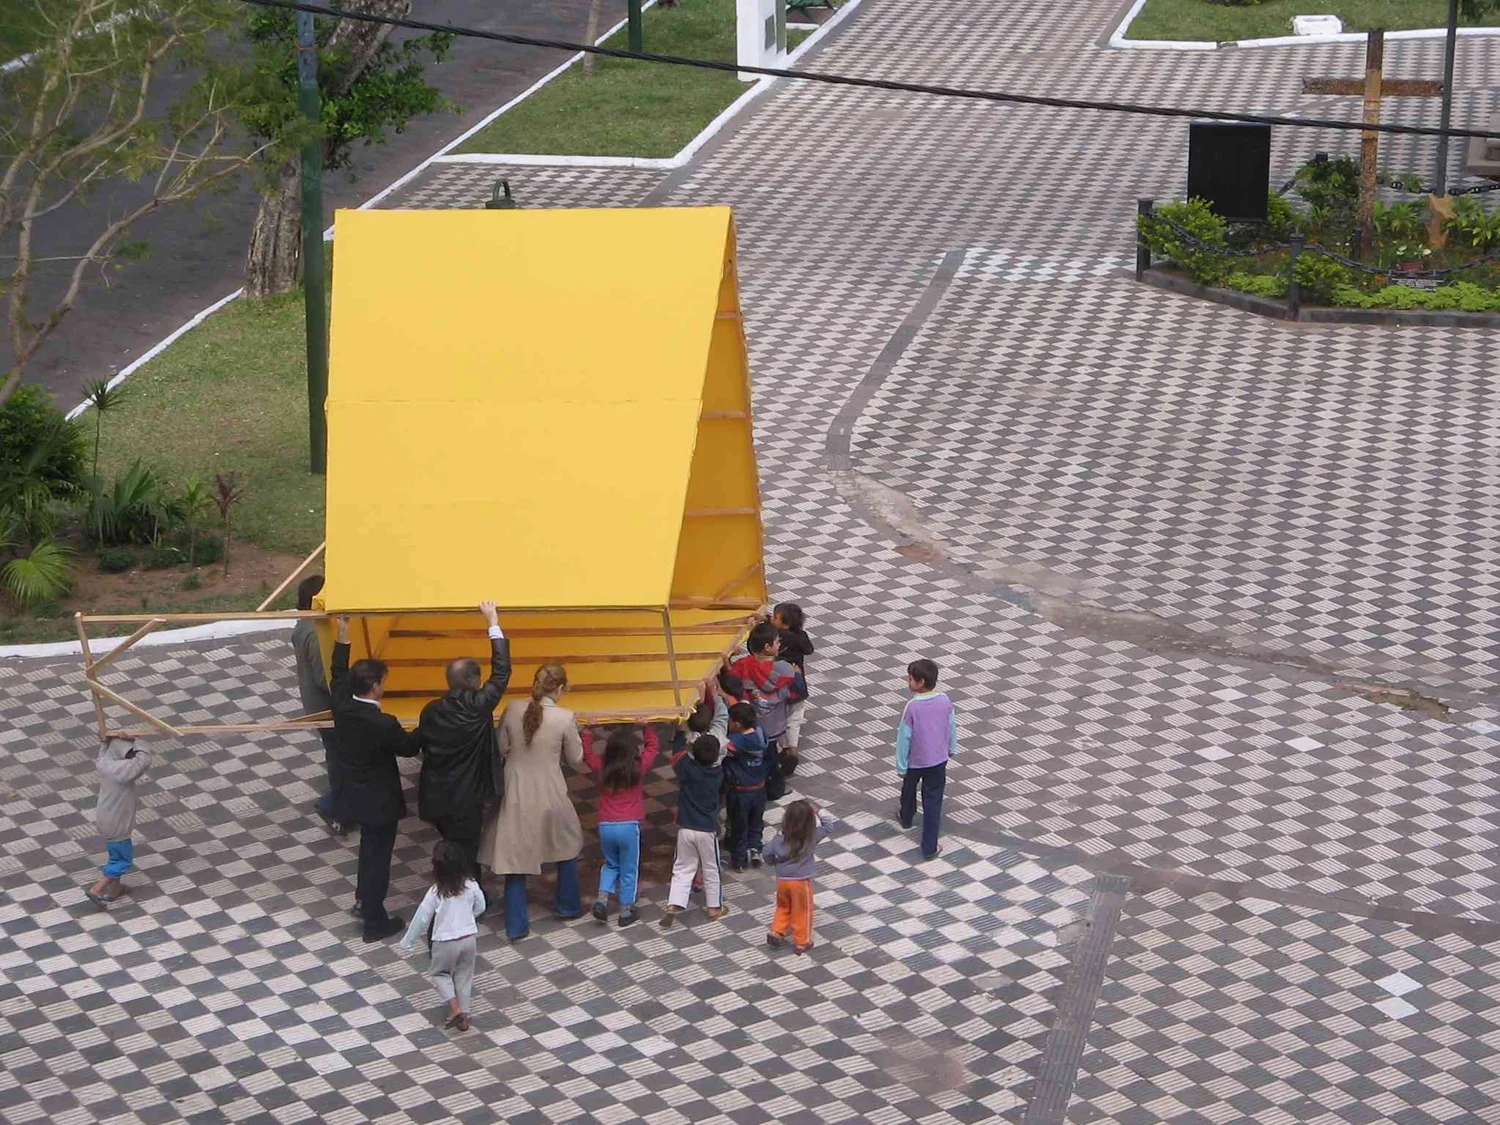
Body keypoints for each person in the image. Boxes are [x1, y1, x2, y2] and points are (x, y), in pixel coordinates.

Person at [478, 664, 585, 941]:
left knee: (515, 859)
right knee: (567, 845)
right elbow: (575, 759)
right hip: (550, 790)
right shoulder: (564, 717)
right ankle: (568, 905)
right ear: (561, 688)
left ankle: (516, 926)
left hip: (515, 789)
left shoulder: (512, 709)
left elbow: (501, 748)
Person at [331, 615, 421, 942]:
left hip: (357, 793)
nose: (385, 686)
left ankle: (363, 901)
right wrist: (429, 719)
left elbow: (338, 674)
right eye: (383, 682)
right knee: (377, 859)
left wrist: (343, 637)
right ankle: (374, 919)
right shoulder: (383, 724)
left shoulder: (341, 705)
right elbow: (410, 749)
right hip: (380, 801)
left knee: (369, 851)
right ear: (374, 687)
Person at [415, 600, 511, 888]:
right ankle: (465, 900)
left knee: (452, 846)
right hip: (466, 801)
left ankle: (455, 888)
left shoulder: (430, 711)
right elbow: (502, 671)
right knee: (467, 854)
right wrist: (492, 621)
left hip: (435, 798)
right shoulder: (478, 706)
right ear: (472, 680)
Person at [401, 840, 487, 1032]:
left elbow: (422, 918)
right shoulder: (471, 885)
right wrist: (470, 919)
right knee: (465, 976)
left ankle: (455, 1009)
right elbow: (481, 906)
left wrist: (409, 941)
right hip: (469, 938)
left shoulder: (436, 892)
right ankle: (464, 1017)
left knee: (440, 973)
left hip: (445, 941)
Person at [581, 722, 659, 927]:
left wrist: (587, 731)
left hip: (606, 824)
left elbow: (587, 754)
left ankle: (602, 899)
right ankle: (626, 911)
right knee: (629, 868)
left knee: (610, 864)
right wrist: (646, 727)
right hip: (629, 826)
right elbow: (653, 748)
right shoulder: (638, 768)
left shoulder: (601, 768)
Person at [291, 574, 347, 836]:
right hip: (327, 707)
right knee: (342, 758)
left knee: (337, 755)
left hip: (314, 704)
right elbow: (325, 678)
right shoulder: (315, 633)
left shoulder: (303, 625)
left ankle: (343, 808)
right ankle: (332, 806)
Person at [661, 725, 730, 929]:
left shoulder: (685, 768)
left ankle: (674, 903)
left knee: (682, 866)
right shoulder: (718, 774)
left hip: (685, 827)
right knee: (711, 867)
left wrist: (682, 732)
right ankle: (714, 907)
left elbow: (677, 752)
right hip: (707, 829)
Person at [727, 623, 800, 801]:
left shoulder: (743, 665)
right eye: (776, 642)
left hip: (752, 724)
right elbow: (796, 692)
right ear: (767, 647)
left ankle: (749, 783)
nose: (779, 645)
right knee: (771, 758)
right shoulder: (785, 670)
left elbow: (730, 681)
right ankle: (775, 789)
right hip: (774, 726)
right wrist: (797, 675)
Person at [895, 658, 957, 861]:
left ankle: (906, 817)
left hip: (915, 762)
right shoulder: (944, 701)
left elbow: (904, 737)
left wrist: (901, 764)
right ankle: (929, 846)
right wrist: (951, 747)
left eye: (910, 678)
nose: (908, 681)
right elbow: (951, 726)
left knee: (908, 789)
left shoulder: (912, 707)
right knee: (933, 802)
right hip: (938, 760)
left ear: (920, 682)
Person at [763, 799, 840, 954]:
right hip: (801, 882)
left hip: (782, 880)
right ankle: (802, 942)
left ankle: (776, 931)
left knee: (783, 906)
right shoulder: (811, 837)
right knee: (802, 910)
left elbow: (766, 853)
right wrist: (818, 810)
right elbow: (829, 826)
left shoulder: (779, 838)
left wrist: (773, 862)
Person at [87, 738, 152, 908]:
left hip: (105, 818)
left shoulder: (104, 763)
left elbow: (104, 750)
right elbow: (143, 760)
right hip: (117, 823)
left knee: (115, 855)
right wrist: (140, 741)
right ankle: (97, 889)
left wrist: (106, 740)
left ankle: (115, 889)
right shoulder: (120, 770)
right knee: (123, 860)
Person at [724, 702, 769, 870]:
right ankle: (756, 849)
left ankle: (740, 859)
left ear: (737, 723)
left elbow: (722, 751)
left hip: (740, 791)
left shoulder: (736, 741)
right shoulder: (761, 734)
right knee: (756, 821)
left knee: (739, 825)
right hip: (759, 788)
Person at [771, 602, 814, 772]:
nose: (772, 619)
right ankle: (792, 748)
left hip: (780, 683)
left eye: (775, 617)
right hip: (798, 683)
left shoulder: (776, 638)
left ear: (784, 624)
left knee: (780, 715)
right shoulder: (800, 636)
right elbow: (809, 649)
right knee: (795, 718)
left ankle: (785, 748)